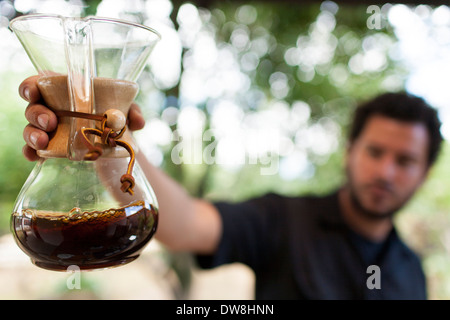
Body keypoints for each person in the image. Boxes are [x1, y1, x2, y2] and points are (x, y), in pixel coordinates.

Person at [19, 75, 443, 300]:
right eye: (375, 152)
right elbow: (184, 225)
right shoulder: (282, 219)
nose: (386, 171)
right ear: (350, 151)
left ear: (425, 172)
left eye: (405, 161)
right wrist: (106, 136)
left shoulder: (412, 274)